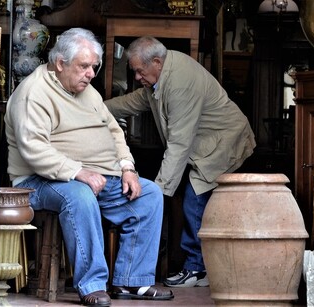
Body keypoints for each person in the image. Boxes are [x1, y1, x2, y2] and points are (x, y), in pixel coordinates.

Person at [4, 28, 174, 306]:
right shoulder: (33, 93)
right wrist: (78, 172)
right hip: (37, 181)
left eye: (93, 67)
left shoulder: (87, 92)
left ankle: (133, 282)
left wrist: (127, 168)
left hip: (98, 176)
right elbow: (33, 149)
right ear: (60, 63)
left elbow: (114, 131)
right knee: (79, 195)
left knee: (149, 194)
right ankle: (92, 283)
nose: (91, 74)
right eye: (84, 66)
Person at [104, 36, 256, 288]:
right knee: (192, 200)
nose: (138, 77)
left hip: (224, 142)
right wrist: (95, 108)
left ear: (156, 62)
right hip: (205, 145)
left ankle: (197, 268)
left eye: (140, 71)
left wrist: (157, 193)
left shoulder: (180, 82)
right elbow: (134, 101)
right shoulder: (162, 74)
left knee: (194, 201)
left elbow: (179, 144)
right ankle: (200, 267)